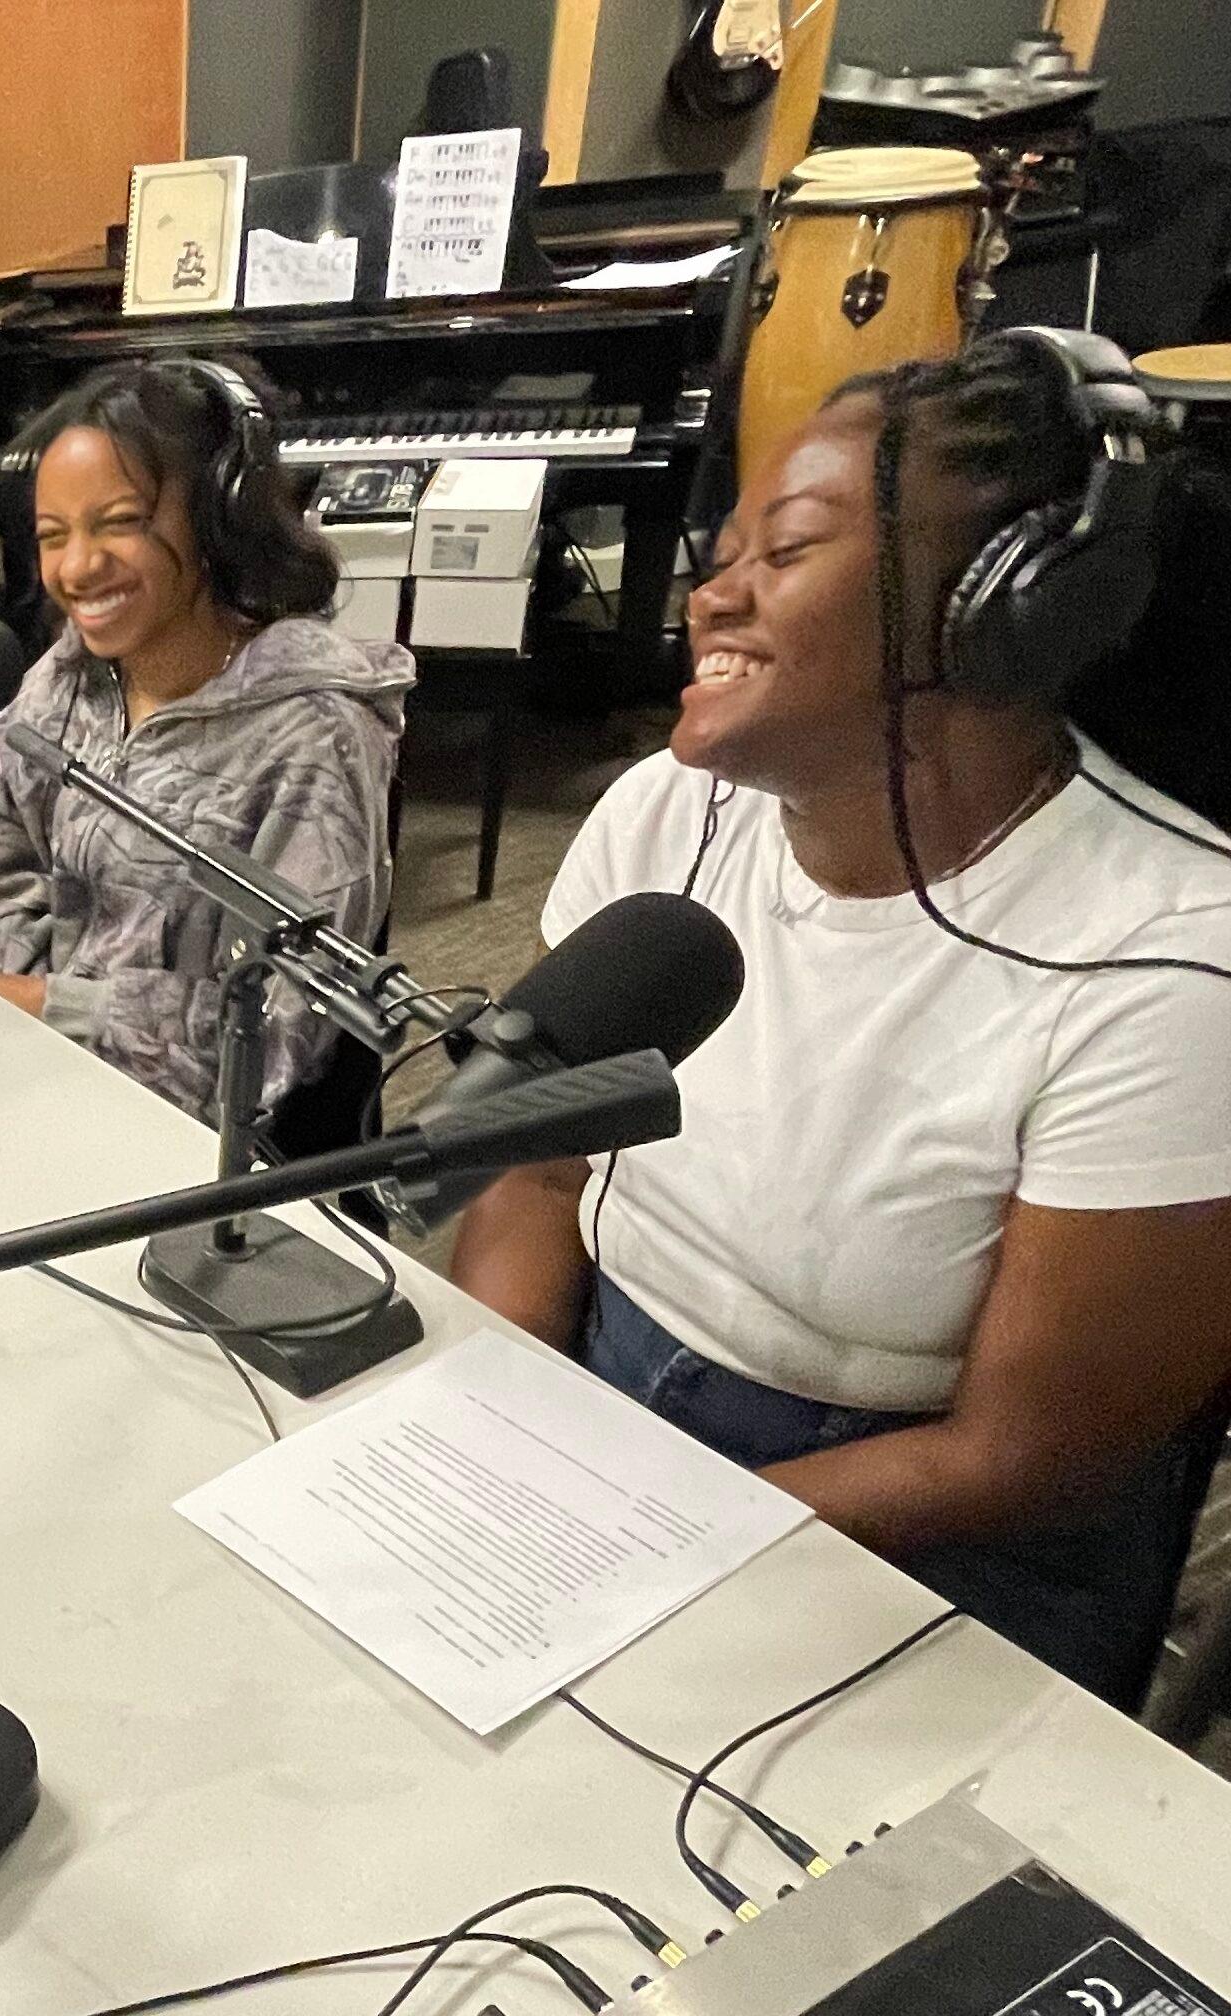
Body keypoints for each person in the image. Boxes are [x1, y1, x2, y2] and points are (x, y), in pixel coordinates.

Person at [449, 331, 1231, 1706]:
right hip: (600, 1375)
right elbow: (539, 1163)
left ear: (996, 614)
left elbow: (1020, 1459)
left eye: (786, 552)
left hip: (930, 1526)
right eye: (726, 546)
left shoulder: (1175, 972)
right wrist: (512, 1421)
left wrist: (654, 1539)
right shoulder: (663, 814)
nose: (713, 594)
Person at [0, 356, 411, 1131]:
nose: (78, 567)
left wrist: (55, 1009)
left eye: (119, 523)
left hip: (211, 1148)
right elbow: (0, 895)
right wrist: (11, 1022)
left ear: (218, 520)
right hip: (44, 1081)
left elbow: (278, 1028)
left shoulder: (310, 738)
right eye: (53, 536)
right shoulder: (64, 684)